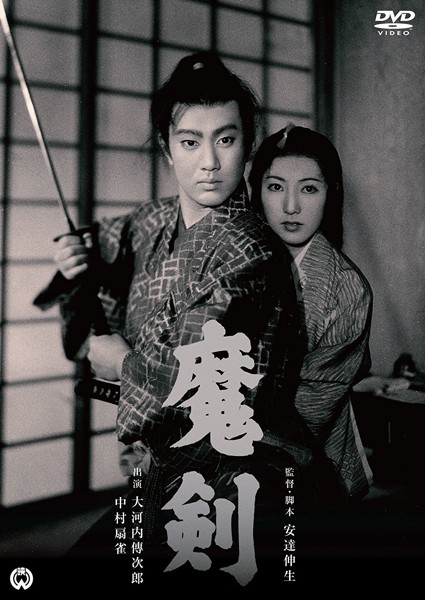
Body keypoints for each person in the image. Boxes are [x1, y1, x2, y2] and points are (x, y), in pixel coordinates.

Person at [33, 56, 343, 591]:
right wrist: (73, 255)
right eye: (190, 142)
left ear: (248, 144)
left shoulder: (248, 249)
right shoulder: (153, 220)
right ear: (166, 147)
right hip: (166, 470)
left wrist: (119, 361)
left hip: (241, 470)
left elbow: (193, 382)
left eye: (226, 139)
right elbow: (100, 242)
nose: (210, 163)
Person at [248, 123, 374, 503]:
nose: (291, 206)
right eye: (275, 187)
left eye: (308, 189)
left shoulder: (347, 290)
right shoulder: (236, 263)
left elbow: (310, 411)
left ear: (330, 193)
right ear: (256, 192)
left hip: (302, 459)